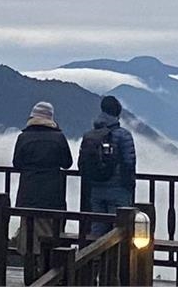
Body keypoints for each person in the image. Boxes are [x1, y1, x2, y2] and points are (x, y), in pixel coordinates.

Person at [12, 101, 73, 277]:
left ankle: (29, 273)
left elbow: (17, 163)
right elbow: (67, 163)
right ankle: (48, 273)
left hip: (28, 193)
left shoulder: (23, 137)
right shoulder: (59, 138)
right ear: (51, 118)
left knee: (28, 235)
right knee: (51, 234)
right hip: (52, 194)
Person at [78, 95, 136, 236]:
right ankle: (117, 252)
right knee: (120, 230)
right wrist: (129, 185)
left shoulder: (91, 135)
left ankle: (94, 251)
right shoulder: (124, 135)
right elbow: (129, 162)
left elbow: (82, 163)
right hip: (119, 190)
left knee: (97, 228)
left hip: (96, 189)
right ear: (117, 113)